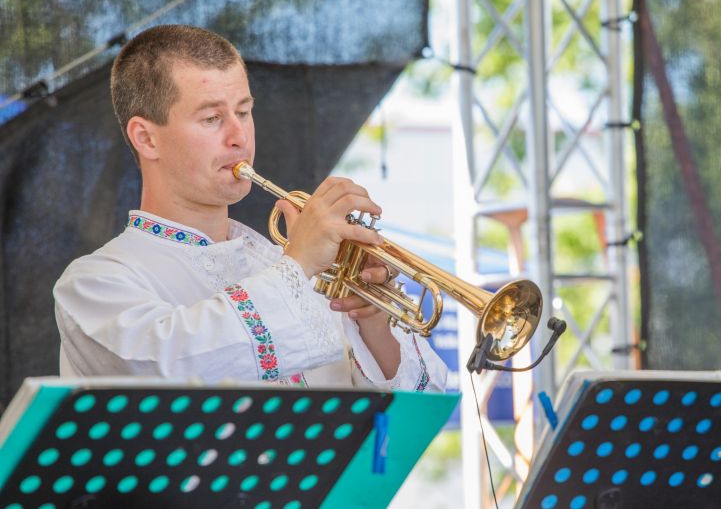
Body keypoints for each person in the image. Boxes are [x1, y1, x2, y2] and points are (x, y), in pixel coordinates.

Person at [53, 24, 447, 392]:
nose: (239, 136)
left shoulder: (291, 267)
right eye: (212, 118)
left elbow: (422, 403)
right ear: (146, 138)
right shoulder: (94, 284)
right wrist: (298, 265)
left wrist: (371, 320)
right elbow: (170, 368)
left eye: (243, 112)